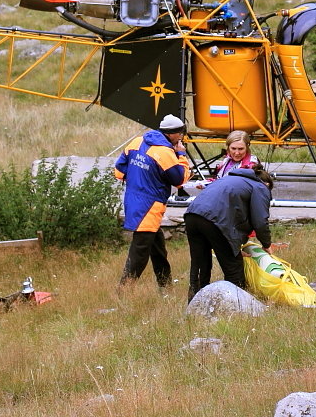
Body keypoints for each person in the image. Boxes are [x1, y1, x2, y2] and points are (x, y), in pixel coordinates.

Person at [114, 114, 191, 288]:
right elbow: (179, 180)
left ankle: (165, 286)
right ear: (172, 134)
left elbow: (119, 171)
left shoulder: (138, 141)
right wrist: (181, 155)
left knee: (158, 249)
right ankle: (124, 291)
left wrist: (139, 178)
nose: (181, 138)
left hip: (133, 201)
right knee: (139, 252)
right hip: (150, 207)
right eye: (180, 135)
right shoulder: (165, 152)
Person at [183, 163, 273, 302]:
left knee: (200, 265)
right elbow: (260, 221)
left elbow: (233, 214)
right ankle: (236, 306)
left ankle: (194, 304)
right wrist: (267, 245)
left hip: (192, 215)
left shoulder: (230, 178)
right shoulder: (260, 187)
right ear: (266, 183)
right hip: (215, 221)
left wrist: (234, 245)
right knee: (234, 269)